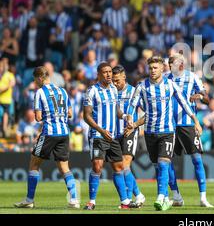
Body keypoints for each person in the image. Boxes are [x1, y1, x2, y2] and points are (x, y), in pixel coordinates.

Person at [125, 56, 202, 211]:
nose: (153, 71)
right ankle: (175, 196)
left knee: (163, 163)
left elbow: (184, 103)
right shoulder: (142, 86)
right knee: (158, 167)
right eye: (151, 68)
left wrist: (196, 121)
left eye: (155, 68)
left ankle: (161, 196)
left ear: (162, 68)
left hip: (167, 131)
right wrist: (128, 118)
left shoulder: (170, 85)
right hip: (149, 132)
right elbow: (131, 106)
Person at [14, 66, 79, 209]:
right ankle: (74, 199)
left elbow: (37, 117)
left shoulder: (40, 92)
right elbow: (69, 114)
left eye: (35, 80)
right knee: (64, 167)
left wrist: (48, 115)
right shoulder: (63, 91)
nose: (35, 83)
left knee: (34, 163)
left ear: (39, 78)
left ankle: (29, 200)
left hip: (49, 132)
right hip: (64, 133)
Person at [165, 53, 213, 208]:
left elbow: (207, 99)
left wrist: (199, 95)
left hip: (188, 124)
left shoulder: (192, 77)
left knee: (197, 159)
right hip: (169, 125)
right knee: (167, 161)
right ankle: (176, 196)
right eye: (174, 63)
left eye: (180, 62)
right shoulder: (165, 78)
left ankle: (203, 198)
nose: (179, 65)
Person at [82, 62, 131, 210]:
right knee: (97, 166)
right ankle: (92, 201)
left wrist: (124, 116)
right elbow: (86, 116)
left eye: (110, 71)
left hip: (113, 136)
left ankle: (125, 202)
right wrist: (101, 130)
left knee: (118, 167)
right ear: (98, 74)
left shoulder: (114, 90)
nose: (109, 74)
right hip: (98, 135)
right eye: (105, 72)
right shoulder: (92, 91)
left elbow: (116, 109)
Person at [111, 65, 146, 208]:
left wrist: (135, 125)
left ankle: (127, 199)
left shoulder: (134, 92)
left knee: (125, 165)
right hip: (114, 134)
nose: (115, 83)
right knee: (120, 168)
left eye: (117, 80)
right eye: (113, 80)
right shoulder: (110, 92)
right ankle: (138, 195)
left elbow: (148, 113)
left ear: (124, 77)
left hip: (130, 133)